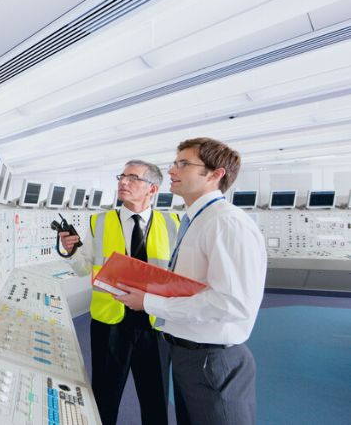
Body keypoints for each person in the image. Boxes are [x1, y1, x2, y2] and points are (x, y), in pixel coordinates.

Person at [115, 138, 267, 425]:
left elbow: (232, 302)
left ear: (215, 174)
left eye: (183, 164)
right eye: (175, 163)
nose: (172, 170)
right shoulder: (196, 220)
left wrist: (149, 302)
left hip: (212, 361)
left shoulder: (226, 222)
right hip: (189, 354)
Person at [58, 160, 179, 425]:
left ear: (152, 189)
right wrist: (70, 251)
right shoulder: (98, 222)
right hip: (110, 323)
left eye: (133, 178)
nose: (123, 182)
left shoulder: (173, 223)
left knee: (155, 400)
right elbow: (82, 268)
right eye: (121, 177)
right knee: (104, 398)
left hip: (155, 324)